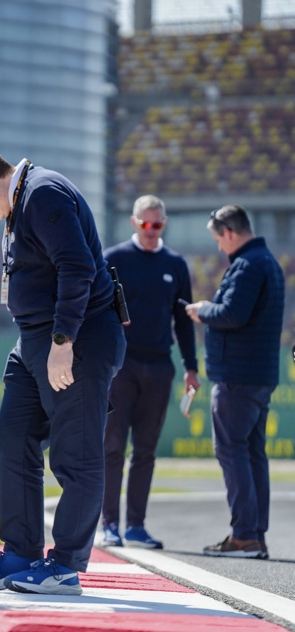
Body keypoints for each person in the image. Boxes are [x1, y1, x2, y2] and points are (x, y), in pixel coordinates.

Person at [0, 145, 125, 596]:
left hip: (75, 339)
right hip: (33, 343)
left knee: (75, 454)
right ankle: (21, 552)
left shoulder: (42, 193)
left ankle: (64, 565)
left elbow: (76, 266)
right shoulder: (19, 205)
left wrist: (63, 341)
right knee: (13, 435)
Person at [100, 195, 200, 549]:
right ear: (133, 222)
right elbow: (98, 311)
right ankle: (109, 524)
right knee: (112, 445)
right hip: (120, 365)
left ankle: (136, 526)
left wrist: (191, 367)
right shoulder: (113, 258)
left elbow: (184, 323)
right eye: (144, 224)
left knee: (145, 449)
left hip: (159, 366)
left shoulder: (176, 264)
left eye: (156, 224)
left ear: (164, 224)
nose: (150, 230)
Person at [184, 204, 284, 559]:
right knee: (252, 454)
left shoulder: (247, 264)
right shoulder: (265, 261)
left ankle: (244, 536)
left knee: (231, 450)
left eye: (217, 239)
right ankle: (253, 534)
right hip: (258, 374)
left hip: (238, 376)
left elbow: (232, 314)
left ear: (228, 231)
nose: (218, 247)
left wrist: (202, 310)